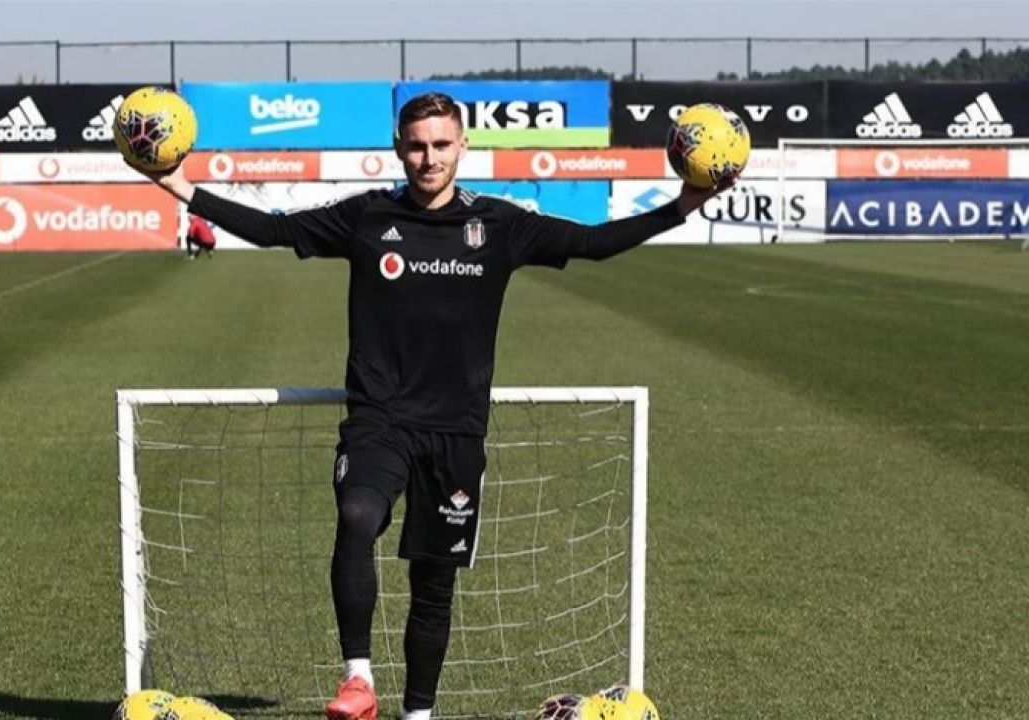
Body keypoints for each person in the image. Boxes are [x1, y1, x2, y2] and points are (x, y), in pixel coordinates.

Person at [135, 92, 732, 720]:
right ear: (398, 148)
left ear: (462, 147)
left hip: (456, 432)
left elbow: (595, 242)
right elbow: (275, 230)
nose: (429, 158)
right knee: (357, 516)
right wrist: (181, 187)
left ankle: (417, 714)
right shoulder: (367, 217)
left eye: (441, 145)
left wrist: (680, 208)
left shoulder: (499, 226)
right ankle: (358, 681)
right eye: (417, 146)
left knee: (433, 585)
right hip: (379, 421)